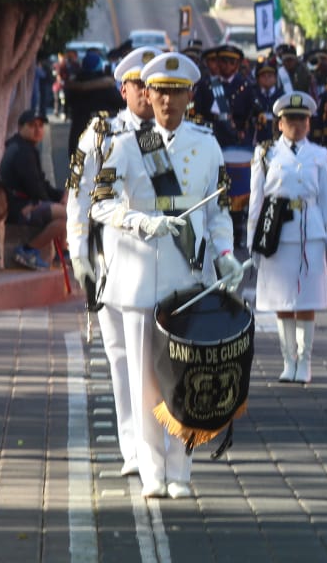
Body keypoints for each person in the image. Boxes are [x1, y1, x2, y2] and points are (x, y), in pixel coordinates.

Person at [90, 51, 243, 499]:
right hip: (140, 276)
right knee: (143, 379)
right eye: (159, 91)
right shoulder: (127, 144)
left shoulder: (206, 143)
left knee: (185, 376)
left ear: (190, 96)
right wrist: (140, 222)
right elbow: (101, 202)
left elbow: (217, 213)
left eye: (176, 92)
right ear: (148, 93)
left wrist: (227, 255)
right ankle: (152, 468)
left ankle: (181, 468)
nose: (167, 101)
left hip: (187, 276)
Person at [65, 46, 159, 479]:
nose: (146, 92)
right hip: (113, 257)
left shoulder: (173, 134)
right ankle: (133, 448)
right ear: (124, 89)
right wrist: (79, 253)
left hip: (163, 261)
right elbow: (79, 196)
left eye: (152, 84)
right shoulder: (100, 134)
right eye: (139, 85)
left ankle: (158, 443)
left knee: (158, 358)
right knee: (120, 356)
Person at [250, 92, 327, 385]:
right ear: (279, 123)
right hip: (277, 232)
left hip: (310, 230)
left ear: (309, 123)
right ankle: (288, 360)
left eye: (302, 119)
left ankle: (305, 360)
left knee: (307, 299)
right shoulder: (266, 154)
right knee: (282, 299)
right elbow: (256, 201)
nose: (296, 125)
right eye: (290, 120)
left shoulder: (320, 155)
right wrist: (253, 241)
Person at [0, 110, 67, 270]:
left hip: (29, 202)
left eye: (40, 126)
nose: (37, 130)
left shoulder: (27, 148)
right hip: (19, 208)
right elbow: (35, 187)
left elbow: (42, 183)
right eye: (32, 126)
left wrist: (61, 195)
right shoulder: (20, 151)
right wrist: (53, 203)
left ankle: (61, 255)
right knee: (68, 213)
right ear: (20, 128)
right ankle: (27, 250)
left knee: (63, 221)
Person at [64, 50, 125, 154]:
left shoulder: (74, 84)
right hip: (104, 133)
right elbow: (121, 104)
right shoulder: (107, 85)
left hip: (79, 130)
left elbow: (68, 105)